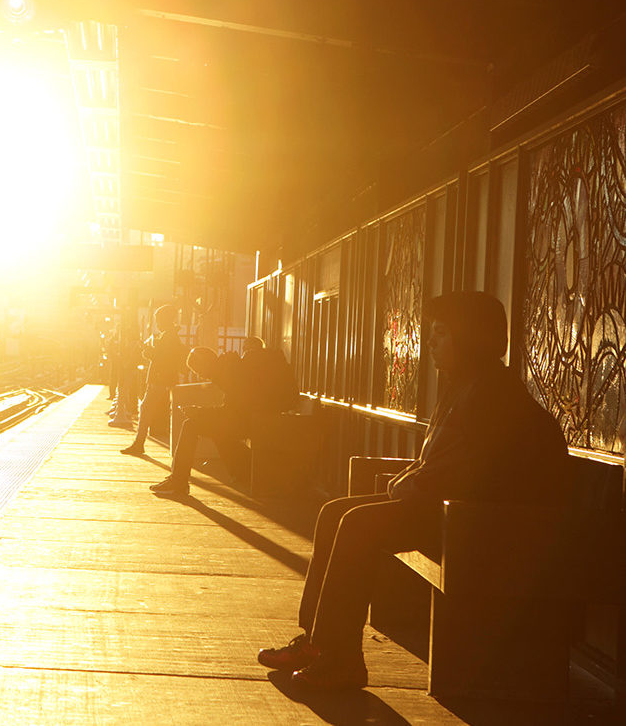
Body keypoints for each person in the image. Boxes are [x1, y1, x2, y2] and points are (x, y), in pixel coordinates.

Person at [256, 291, 573, 689]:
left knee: (357, 525)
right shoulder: (466, 386)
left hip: (488, 526)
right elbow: (444, 461)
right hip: (459, 513)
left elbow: (466, 470)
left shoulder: (493, 394)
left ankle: (341, 661)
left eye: (440, 335)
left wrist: (409, 483)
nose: (431, 345)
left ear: (470, 338)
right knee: (336, 511)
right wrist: (410, 482)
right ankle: (318, 641)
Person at [150, 337, 297, 496]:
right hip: (263, 419)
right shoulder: (231, 366)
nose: (203, 377)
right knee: (214, 429)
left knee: (191, 425)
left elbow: (233, 411)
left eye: (199, 371)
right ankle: (241, 473)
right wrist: (202, 412)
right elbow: (235, 406)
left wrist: (200, 413)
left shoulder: (227, 371)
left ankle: (178, 481)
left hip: (257, 422)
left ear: (205, 364)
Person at [120, 305, 187, 456]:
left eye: (158, 319)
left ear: (165, 319)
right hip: (162, 378)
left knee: (146, 408)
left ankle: (139, 444)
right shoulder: (170, 335)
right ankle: (139, 443)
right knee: (148, 408)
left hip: (160, 378)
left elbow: (163, 357)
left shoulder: (168, 336)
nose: (157, 323)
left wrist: (147, 352)